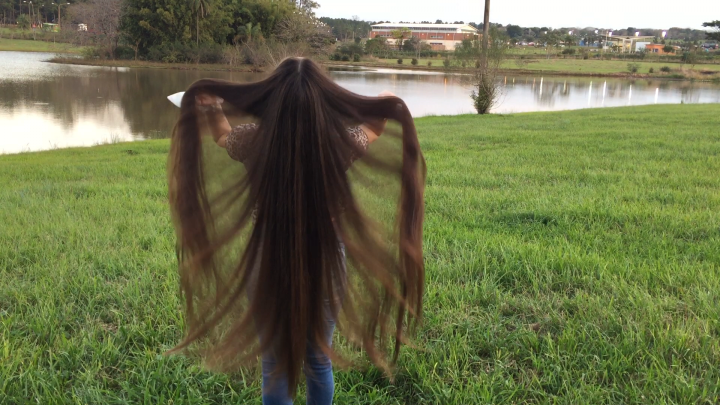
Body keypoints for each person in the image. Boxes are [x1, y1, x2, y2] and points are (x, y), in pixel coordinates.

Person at [167, 58, 425, 405]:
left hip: (266, 255)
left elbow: (222, 135)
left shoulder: (254, 140)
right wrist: (383, 99)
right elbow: (374, 129)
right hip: (326, 255)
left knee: (274, 363)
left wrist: (212, 107)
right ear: (325, 103)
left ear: (269, 101)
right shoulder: (338, 143)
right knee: (318, 359)